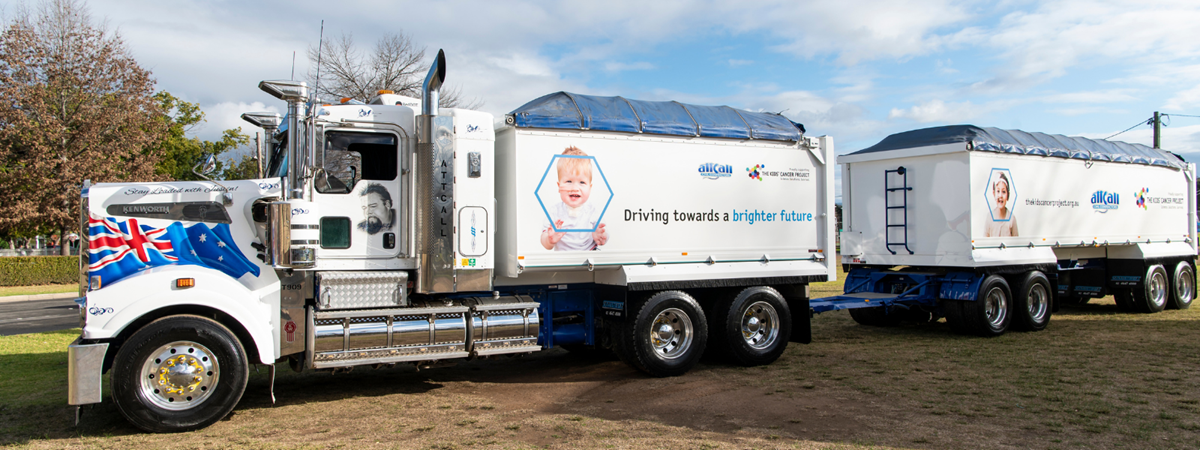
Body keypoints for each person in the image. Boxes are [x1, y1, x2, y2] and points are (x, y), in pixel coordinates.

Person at [540, 147, 609, 251]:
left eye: (582, 182)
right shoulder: (555, 211)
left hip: (589, 256)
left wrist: (601, 236)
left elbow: (605, 234)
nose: (575, 188)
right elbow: (544, 241)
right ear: (559, 186)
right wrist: (550, 240)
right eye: (569, 181)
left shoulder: (591, 211)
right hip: (564, 259)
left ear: (590, 188)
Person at [985, 172, 1018, 237]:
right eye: (998, 191)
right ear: (994, 193)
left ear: (1008, 195)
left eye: (1003, 192)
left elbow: (1016, 241)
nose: (1000, 195)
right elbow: (985, 239)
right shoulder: (989, 217)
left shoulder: (1012, 218)